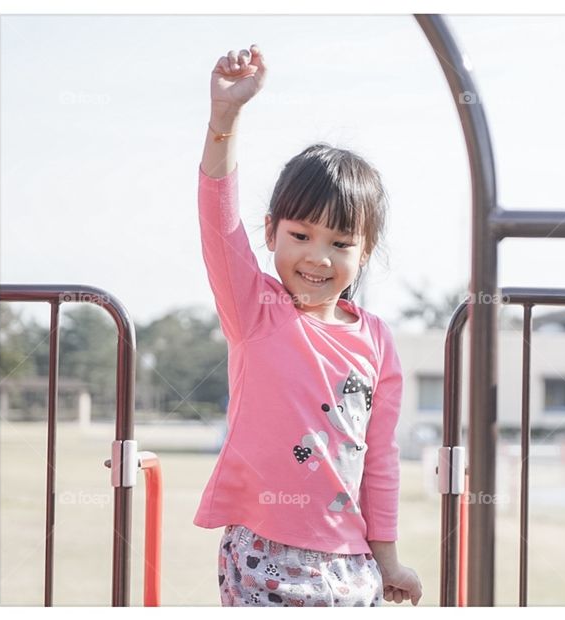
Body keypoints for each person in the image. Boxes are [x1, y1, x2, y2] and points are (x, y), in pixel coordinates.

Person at [193, 43, 422, 607]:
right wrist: (226, 119)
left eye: (340, 243)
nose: (318, 258)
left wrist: (388, 557)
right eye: (301, 235)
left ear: (364, 254)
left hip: (352, 566)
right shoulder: (255, 312)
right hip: (262, 554)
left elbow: (380, 457)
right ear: (270, 232)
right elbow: (218, 225)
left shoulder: (376, 342)